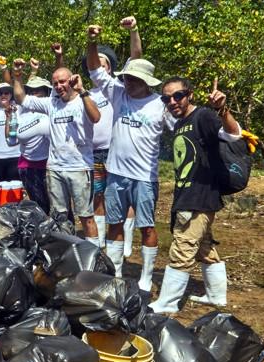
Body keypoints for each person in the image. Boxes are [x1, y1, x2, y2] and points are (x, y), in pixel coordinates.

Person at [87, 19, 173, 291]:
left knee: (147, 227)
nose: (130, 82)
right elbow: (93, 70)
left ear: (147, 82)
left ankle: (146, 277)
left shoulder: (160, 104)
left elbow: (183, 126)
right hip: (116, 174)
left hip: (145, 178)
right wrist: (91, 41)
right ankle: (116, 274)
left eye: (136, 79)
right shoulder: (118, 94)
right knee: (114, 224)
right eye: (127, 77)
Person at [149, 77, 242, 313]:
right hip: (187, 194)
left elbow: (233, 134)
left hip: (200, 196)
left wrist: (222, 109)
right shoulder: (181, 123)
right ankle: (216, 296)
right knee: (204, 247)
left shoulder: (203, 116)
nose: (172, 101)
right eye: (166, 98)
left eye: (177, 95)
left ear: (189, 94)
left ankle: (167, 302)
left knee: (182, 246)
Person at [14, 59, 101, 243]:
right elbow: (21, 98)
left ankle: (95, 259)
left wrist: (83, 91)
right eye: (55, 83)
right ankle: (67, 253)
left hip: (79, 168)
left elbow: (96, 117)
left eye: (63, 81)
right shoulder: (51, 104)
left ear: (72, 80)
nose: (59, 86)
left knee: (86, 217)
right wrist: (17, 76)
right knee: (60, 216)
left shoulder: (82, 100)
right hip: (55, 168)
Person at [5, 75, 52, 213]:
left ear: (46, 91)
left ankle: (64, 233)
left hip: (50, 166)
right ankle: (45, 233)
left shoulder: (51, 107)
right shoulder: (19, 111)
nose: (34, 93)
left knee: (58, 207)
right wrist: (8, 118)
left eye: (38, 90)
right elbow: (11, 141)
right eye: (31, 90)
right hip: (27, 167)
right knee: (39, 207)